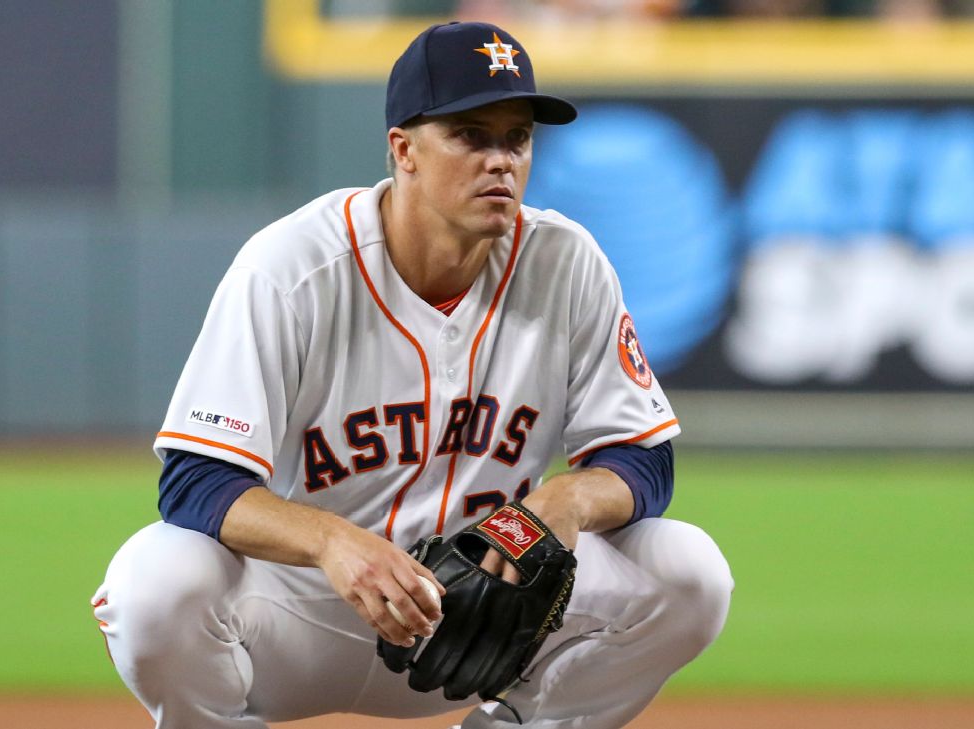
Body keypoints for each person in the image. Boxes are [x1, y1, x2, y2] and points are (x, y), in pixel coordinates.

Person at [92, 20, 733, 728]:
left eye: (516, 137)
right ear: (405, 150)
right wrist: (333, 542)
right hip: (304, 610)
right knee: (152, 580)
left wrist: (569, 499)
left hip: (487, 613)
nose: (501, 161)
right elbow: (194, 481)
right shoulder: (293, 269)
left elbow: (643, 458)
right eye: (471, 134)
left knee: (689, 571)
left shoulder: (566, 261)